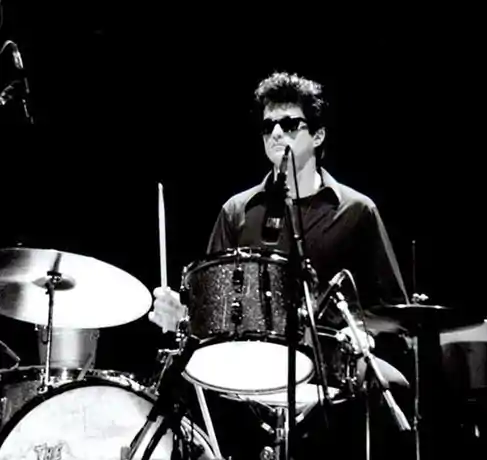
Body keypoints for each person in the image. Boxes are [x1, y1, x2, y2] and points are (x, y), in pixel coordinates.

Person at [149, 71, 409, 337]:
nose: (275, 133)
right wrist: (184, 316)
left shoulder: (356, 211)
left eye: (289, 124)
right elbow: (217, 310)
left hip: (331, 359)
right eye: (267, 126)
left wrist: (359, 331)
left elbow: (393, 312)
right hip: (255, 358)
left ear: (318, 136)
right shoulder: (237, 211)